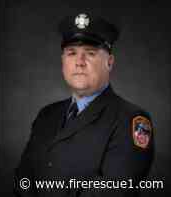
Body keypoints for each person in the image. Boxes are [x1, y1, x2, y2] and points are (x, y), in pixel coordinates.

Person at [14, 13, 154, 197]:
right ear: (63, 61)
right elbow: (22, 182)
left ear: (109, 62)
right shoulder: (46, 115)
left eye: (90, 53)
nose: (79, 62)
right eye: (72, 53)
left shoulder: (132, 120)